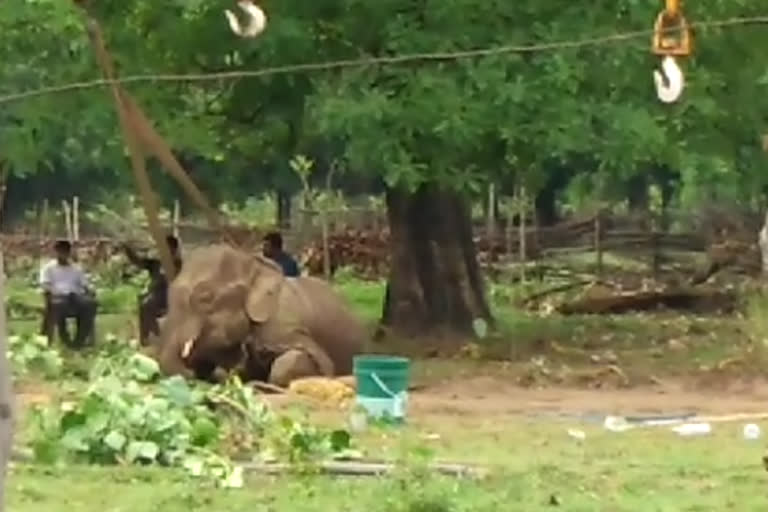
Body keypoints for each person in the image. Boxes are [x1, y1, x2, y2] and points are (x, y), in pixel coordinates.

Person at [122, 235, 183, 346]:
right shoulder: (157, 263)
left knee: (147, 305)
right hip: (155, 295)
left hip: (170, 295)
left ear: (174, 249)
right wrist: (128, 249)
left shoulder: (179, 264)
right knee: (144, 303)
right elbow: (138, 261)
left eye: (168, 248)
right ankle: (147, 337)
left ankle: (156, 336)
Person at [39, 240, 98, 348]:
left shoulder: (76, 268)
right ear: (56, 252)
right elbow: (45, 285)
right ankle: (63, 338)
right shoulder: (48, 268)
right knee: (58, 306)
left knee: (90, 305)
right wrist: (51, 293)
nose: (63, 254)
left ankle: (79, 341)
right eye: (60, 251)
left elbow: (85, 285)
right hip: (58, 298)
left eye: (65, 251)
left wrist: (90, 291)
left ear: (69, 252)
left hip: (75, 297)